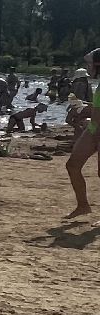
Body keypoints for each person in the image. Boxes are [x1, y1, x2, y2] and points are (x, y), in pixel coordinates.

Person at [65, 50, 100, 219]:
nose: (88, 67)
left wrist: (85, 109)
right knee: (72, 165)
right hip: (94, 128)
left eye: (90, 64)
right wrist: (85, 107)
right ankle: (83, 206)